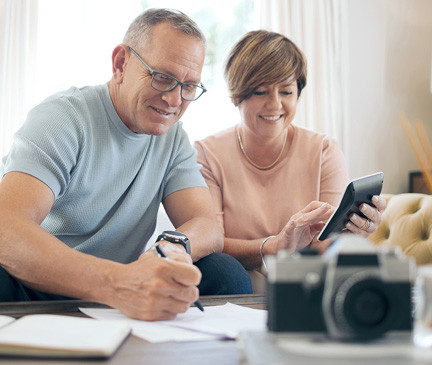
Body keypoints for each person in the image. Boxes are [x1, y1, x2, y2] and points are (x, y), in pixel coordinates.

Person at [0, 8, 252, 320]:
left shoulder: (172, 138)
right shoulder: (62, 118)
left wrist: (170, 249)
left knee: (225, 273)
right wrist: (116, 283)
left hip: (125, 283)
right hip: (42, 283)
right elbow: (7, 229)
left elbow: (208, 226)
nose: (174, 100)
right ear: (121, 64)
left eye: (188, 87)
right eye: (163, 78)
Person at [194, 30, 386, 291]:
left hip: (306, 280)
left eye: (286, 91)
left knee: (348, 253)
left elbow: (324, 242)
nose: (275, 105)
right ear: (237, 94)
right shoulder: (208, 154)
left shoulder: (323, 150)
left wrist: (352, 232)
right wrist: (274, 245)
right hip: (237, 281)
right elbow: (212, 241)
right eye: (261, 91)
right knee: (219, 266)